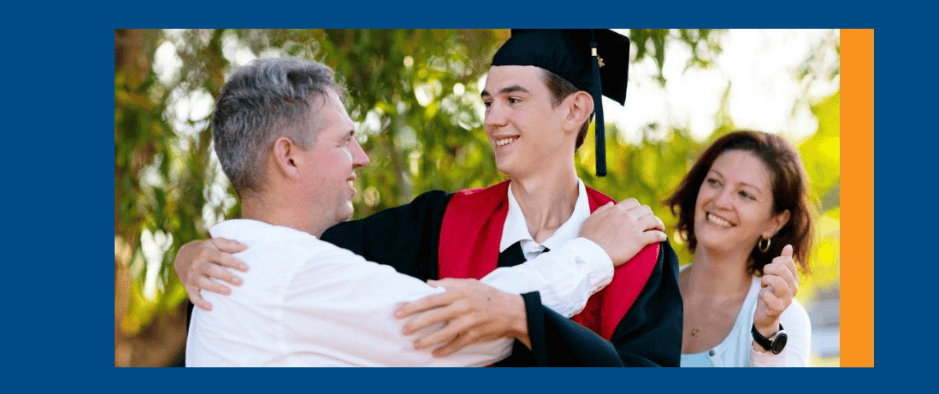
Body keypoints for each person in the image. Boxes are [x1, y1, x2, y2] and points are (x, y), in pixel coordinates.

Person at [176, 30, 683, 367]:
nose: (492, 119)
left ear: (574, 111)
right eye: (488, 101)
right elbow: (286, 241)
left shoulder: (639, 249)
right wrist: (196, 252)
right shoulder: (438, 222)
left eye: (513, 99)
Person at [189, 57, 537, 366]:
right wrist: (587, 254)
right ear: (289, 157)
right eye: (343, 141)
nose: (362, 157)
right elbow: (469, 334)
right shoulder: (296, 272)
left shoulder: (230, 269)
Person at [666, 130, 814, 367]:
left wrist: (766, 333)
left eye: (745, 194)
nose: (721, 201)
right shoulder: (646, 289)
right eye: (714, 182)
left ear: (775, 222)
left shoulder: (785, 321)